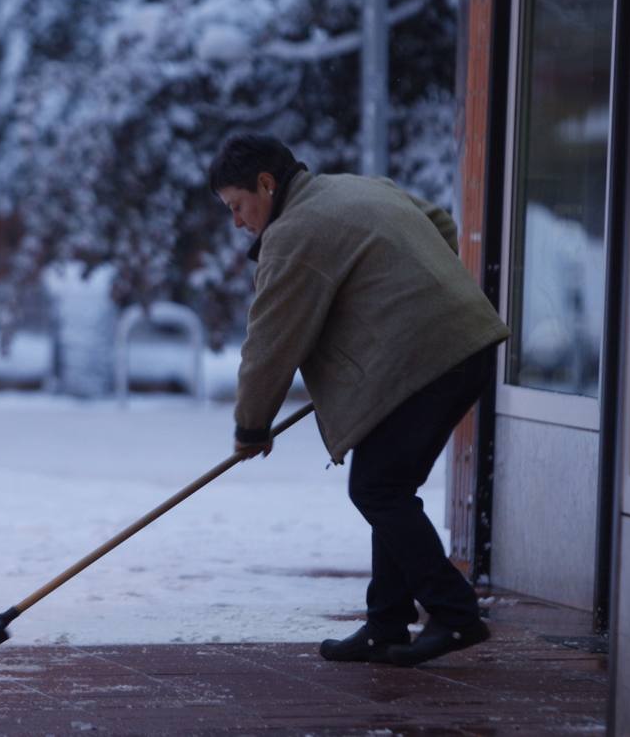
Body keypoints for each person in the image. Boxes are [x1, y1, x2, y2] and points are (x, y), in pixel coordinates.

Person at [208, 134, 510, 667]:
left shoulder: (294, 233)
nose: (237, 222)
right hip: (462, 346)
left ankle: (455, 614)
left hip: (428, 362)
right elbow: (438, 223)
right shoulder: (359, 189)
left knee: (378, 488)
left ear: (266, 184)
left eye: (238, 206)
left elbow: (271, 342)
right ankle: (386, 624)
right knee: (385, 485)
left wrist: (251, 427)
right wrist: (412, 296)